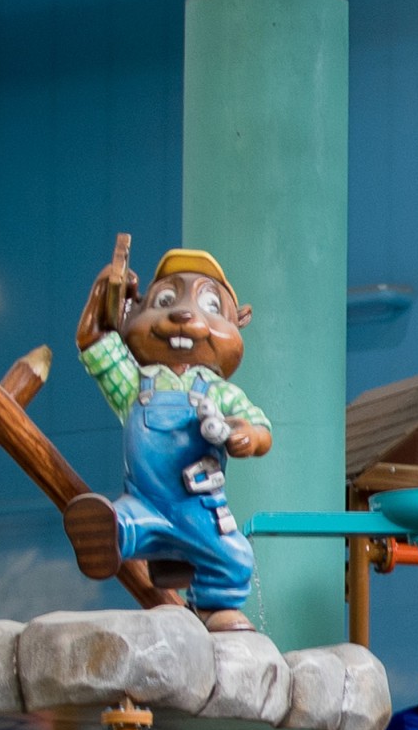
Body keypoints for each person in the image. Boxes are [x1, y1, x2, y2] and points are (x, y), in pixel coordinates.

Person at [64, 238, 273, 632]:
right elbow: (94, 346)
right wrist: (100, 296)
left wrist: (243, 435)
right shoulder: (135, 384)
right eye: (163, 302)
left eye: (210, 306)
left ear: (238, 321)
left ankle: (215, 608)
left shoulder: (220, 392)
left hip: (199, 511)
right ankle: (103, 534)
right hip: (143, 505)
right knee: (117, 524)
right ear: (134, 312)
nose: (182, 315)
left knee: (235, 558)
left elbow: (259, 428)